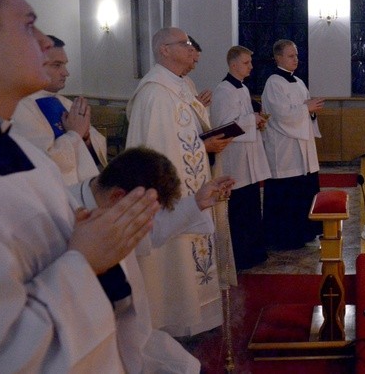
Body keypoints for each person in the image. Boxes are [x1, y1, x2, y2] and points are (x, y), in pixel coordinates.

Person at [0, 0, 159, 371]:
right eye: (28, 25)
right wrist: (84, 260)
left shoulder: (19, 147)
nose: (46, 42)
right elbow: (2, 356)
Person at [69, 147, 234, 373]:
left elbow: (147, 235)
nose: (148, 223)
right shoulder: (67, 224)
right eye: (147, 213)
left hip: (137, 341)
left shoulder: (108, 202)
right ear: (119, 197)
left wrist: (197, 202)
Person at [126, 26, 233, 337]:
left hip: (196, 189)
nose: (191, 49)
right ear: (164, 50)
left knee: (196, 257)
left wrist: (205, 140)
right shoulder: (155, 94)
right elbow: (160, 152)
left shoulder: (180, 86)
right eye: (184, 44)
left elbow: (186, 135)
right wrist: (204, 146)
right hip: (174, 197)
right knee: (176, 260)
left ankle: (198, 315)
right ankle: (177, 319)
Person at [12, 34, 107, 184]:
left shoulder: (65, 103)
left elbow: (96, 150)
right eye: (57, 65)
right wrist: (75, 134)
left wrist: (86, 137)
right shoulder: (18, 108)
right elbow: (40, 162)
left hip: (80, 192)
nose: (66, 73)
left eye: (65, 64)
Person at [261, 39, 325, 249]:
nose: (295, 59)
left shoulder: (298, 82)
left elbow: (304, 111)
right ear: (278, 57)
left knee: (303, 190)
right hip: (285, 148)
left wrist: (312, 111)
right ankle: (283, 237)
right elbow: (279, 115)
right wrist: (305, 109)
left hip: (303, 146)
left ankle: (305, 232)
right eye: (290, 56)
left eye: (296, 55)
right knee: (287, 192)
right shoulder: (273, 83)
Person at [211, 45, 271, 269]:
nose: (251, 66)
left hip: (249, 158)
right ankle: (240, 256)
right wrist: (251, 120)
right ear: (233, 65)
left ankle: (254, 252)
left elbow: (243, 118)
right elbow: (223, 126)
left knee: (252, 206)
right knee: (239, 210)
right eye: (246, 63)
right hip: (235, 160)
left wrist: (257, 121)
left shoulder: (243, 89)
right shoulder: (223, 91)